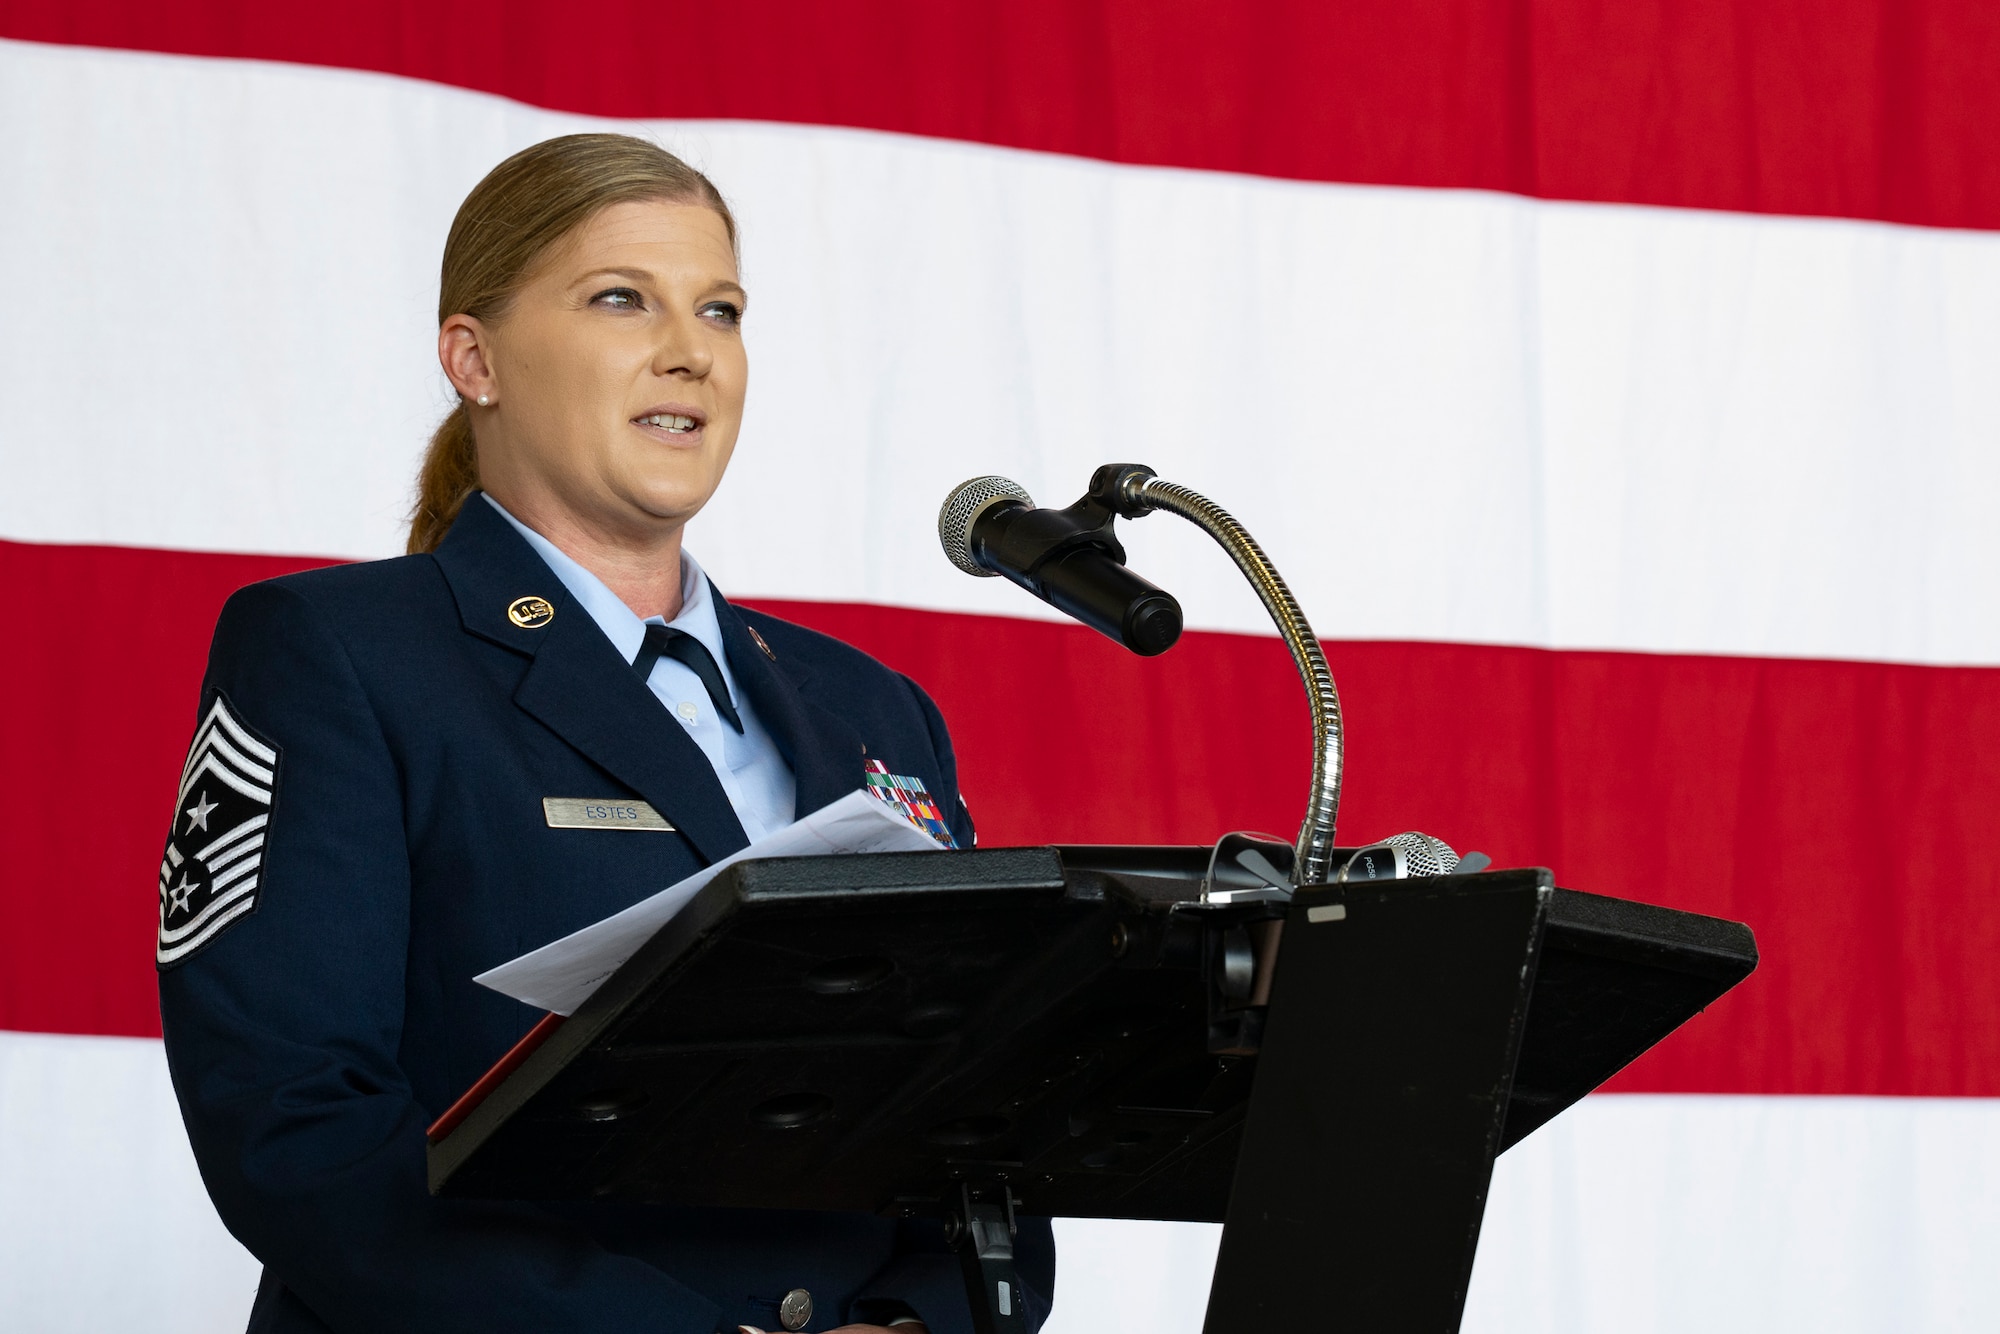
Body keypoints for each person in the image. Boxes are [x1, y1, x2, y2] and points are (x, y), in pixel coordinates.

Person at [156, 133, 1054, 1334]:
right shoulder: (338, 654)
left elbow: (970, 1111)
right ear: (473, 358)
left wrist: (915, 1319)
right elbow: (293, 1121)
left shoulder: (875, 707)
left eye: (721, 310)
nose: (689, 350)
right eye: (622, 298)